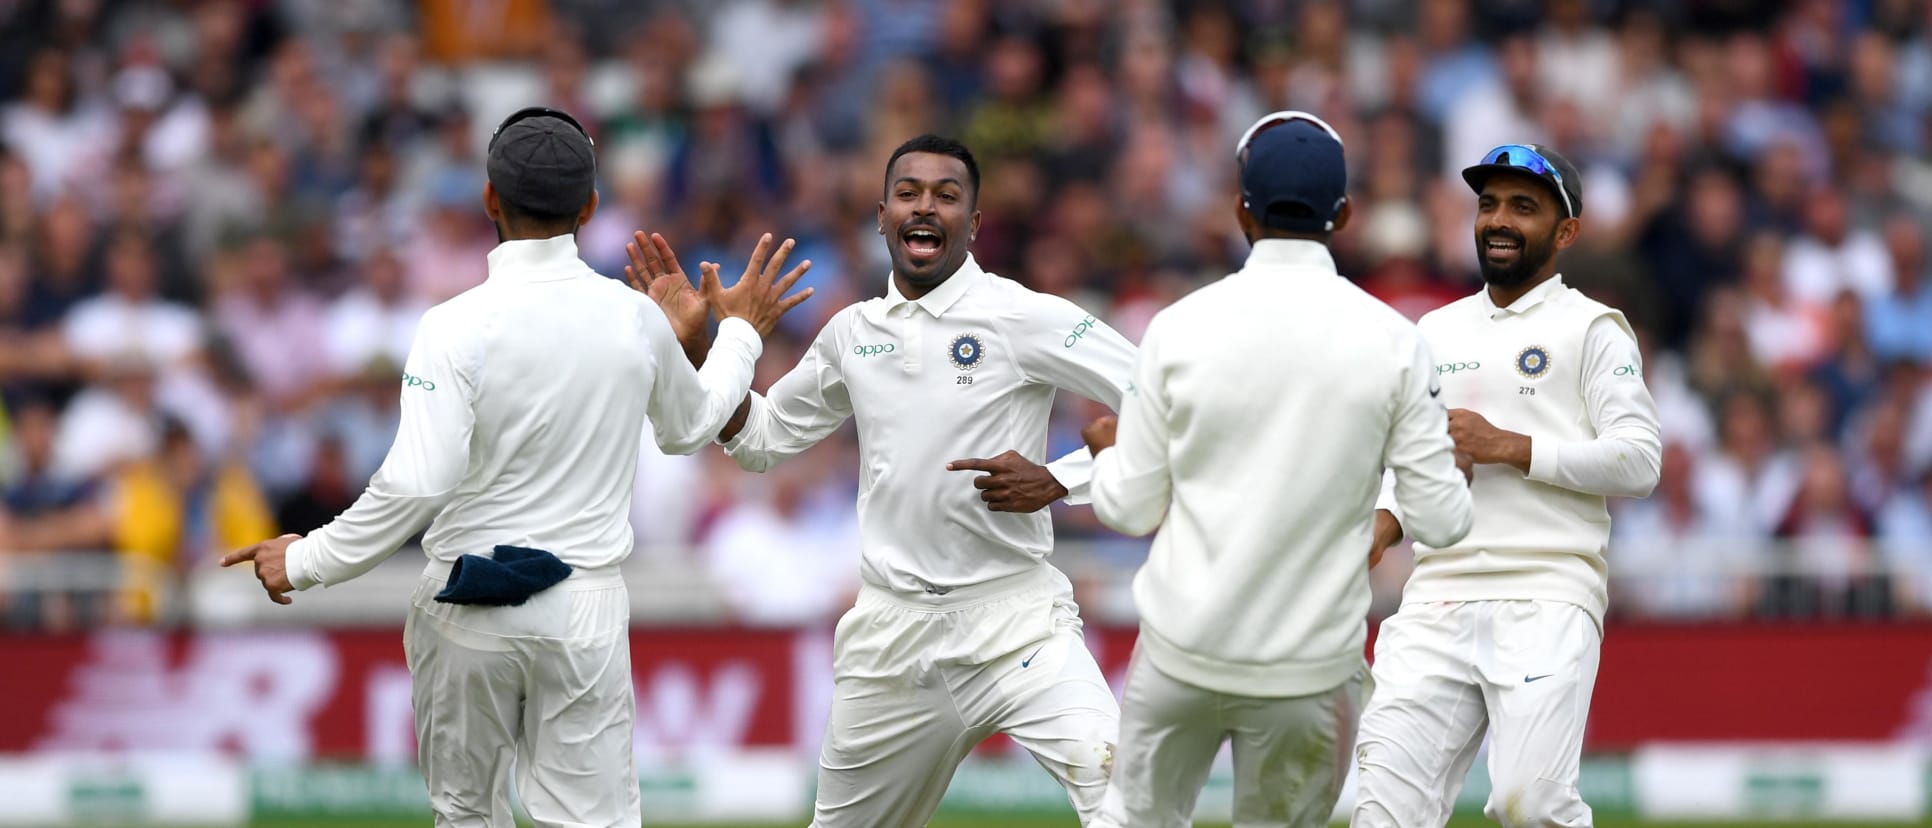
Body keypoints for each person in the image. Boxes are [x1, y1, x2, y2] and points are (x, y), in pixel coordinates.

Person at [221, 106, 811, 828]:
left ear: (489, 200)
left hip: (466, 607)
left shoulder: (451, 324)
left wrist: (307, 559)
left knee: (466, 819)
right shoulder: (632, 319)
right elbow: (691, 428)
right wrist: (739, 335)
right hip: (581, 610)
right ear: (590, 207)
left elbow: (416, 483)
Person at [627, 133, 1135, 826]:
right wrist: (700, 353)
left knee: (1129, 797)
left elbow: (1162, 401)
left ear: (974, 224)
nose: (925, 206)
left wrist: (1059, 479)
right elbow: (762, 439)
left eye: (947, 196)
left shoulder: (1024, 316)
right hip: (893, 638)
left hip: (1017, 623)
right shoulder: (851, 334)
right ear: (881, 215)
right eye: (909, 193)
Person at [1076, 111, 1474, 828]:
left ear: (1240, 210)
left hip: (1182, 654)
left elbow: (1128, 510)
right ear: (1345, 214)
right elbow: (1444, 521)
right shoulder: (1394, 341)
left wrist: (1110, 454)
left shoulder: (1177, 327)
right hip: (1311, 672)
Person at [1353, 143, 1663, 828]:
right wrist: (1380, 528)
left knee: (1533, 808)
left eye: (1523, 207)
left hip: (1547, 591)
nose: (1499, 220)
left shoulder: (1592, 328)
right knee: (1384, 812)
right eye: (1489, 203)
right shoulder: (1435, 329)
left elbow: (1640, 461)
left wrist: (1511, 447)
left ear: (1566, 231)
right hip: (1435, 596)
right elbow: (1416, 462)